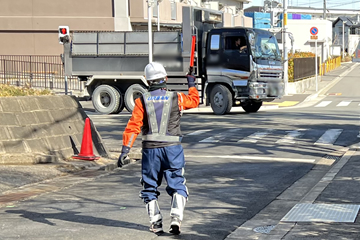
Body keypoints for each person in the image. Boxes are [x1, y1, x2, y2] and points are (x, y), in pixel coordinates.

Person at [117, 62, 200, 235]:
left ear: (148, 81)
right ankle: (176, 217)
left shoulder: (141, 101)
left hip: (150, 151)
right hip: (172, 149)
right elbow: (194, 101)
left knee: (149, 186)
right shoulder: (177, 97)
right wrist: (191, 84)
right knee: (177, 183)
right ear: (165, 78)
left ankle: (156, 223)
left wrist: (125, 149)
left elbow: (133, 126)